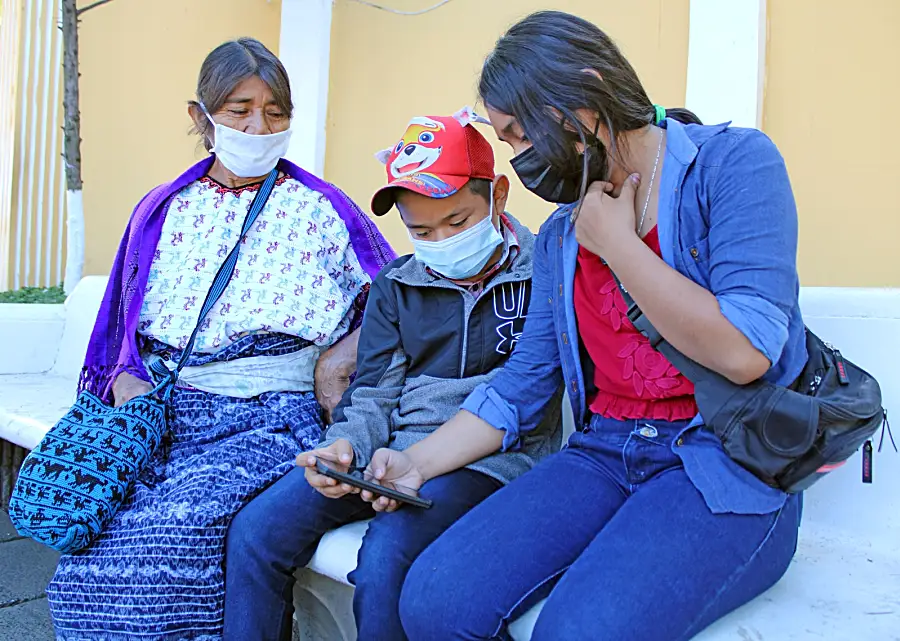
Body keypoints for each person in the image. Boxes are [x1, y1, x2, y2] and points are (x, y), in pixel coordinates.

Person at [371, 11, 806, 641]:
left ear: (584, 91)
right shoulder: (559, 237)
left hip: (727, 460)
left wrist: (621, 248)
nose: (519, 159)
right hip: (606, 451)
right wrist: (415, 463)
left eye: (521, 134)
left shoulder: (733, 165)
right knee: (435, 600)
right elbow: (524, 383)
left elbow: (746, 354)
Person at [46, 38, 394, 640]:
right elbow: (126, 327)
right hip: (169, 419)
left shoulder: (320, 209)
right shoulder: (162, 209)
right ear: (200, 117)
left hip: (269, 420)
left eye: (276, 111)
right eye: (239, 109)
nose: (259, 126)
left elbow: (394, 301)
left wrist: (342, 354)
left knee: (170, 542)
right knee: (89, 561)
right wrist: (130, 374)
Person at [223, 108, 562, 641]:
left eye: (456, 222)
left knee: (387, 559)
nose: (441, 241)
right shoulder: (397, 285)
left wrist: (416, 462)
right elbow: (373, 392)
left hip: (494, 463)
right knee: (256, 530)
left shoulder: (547, 268)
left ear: (498, 195)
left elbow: (530, 393)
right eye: (420, 229)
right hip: (384, 462)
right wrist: (344, 449)